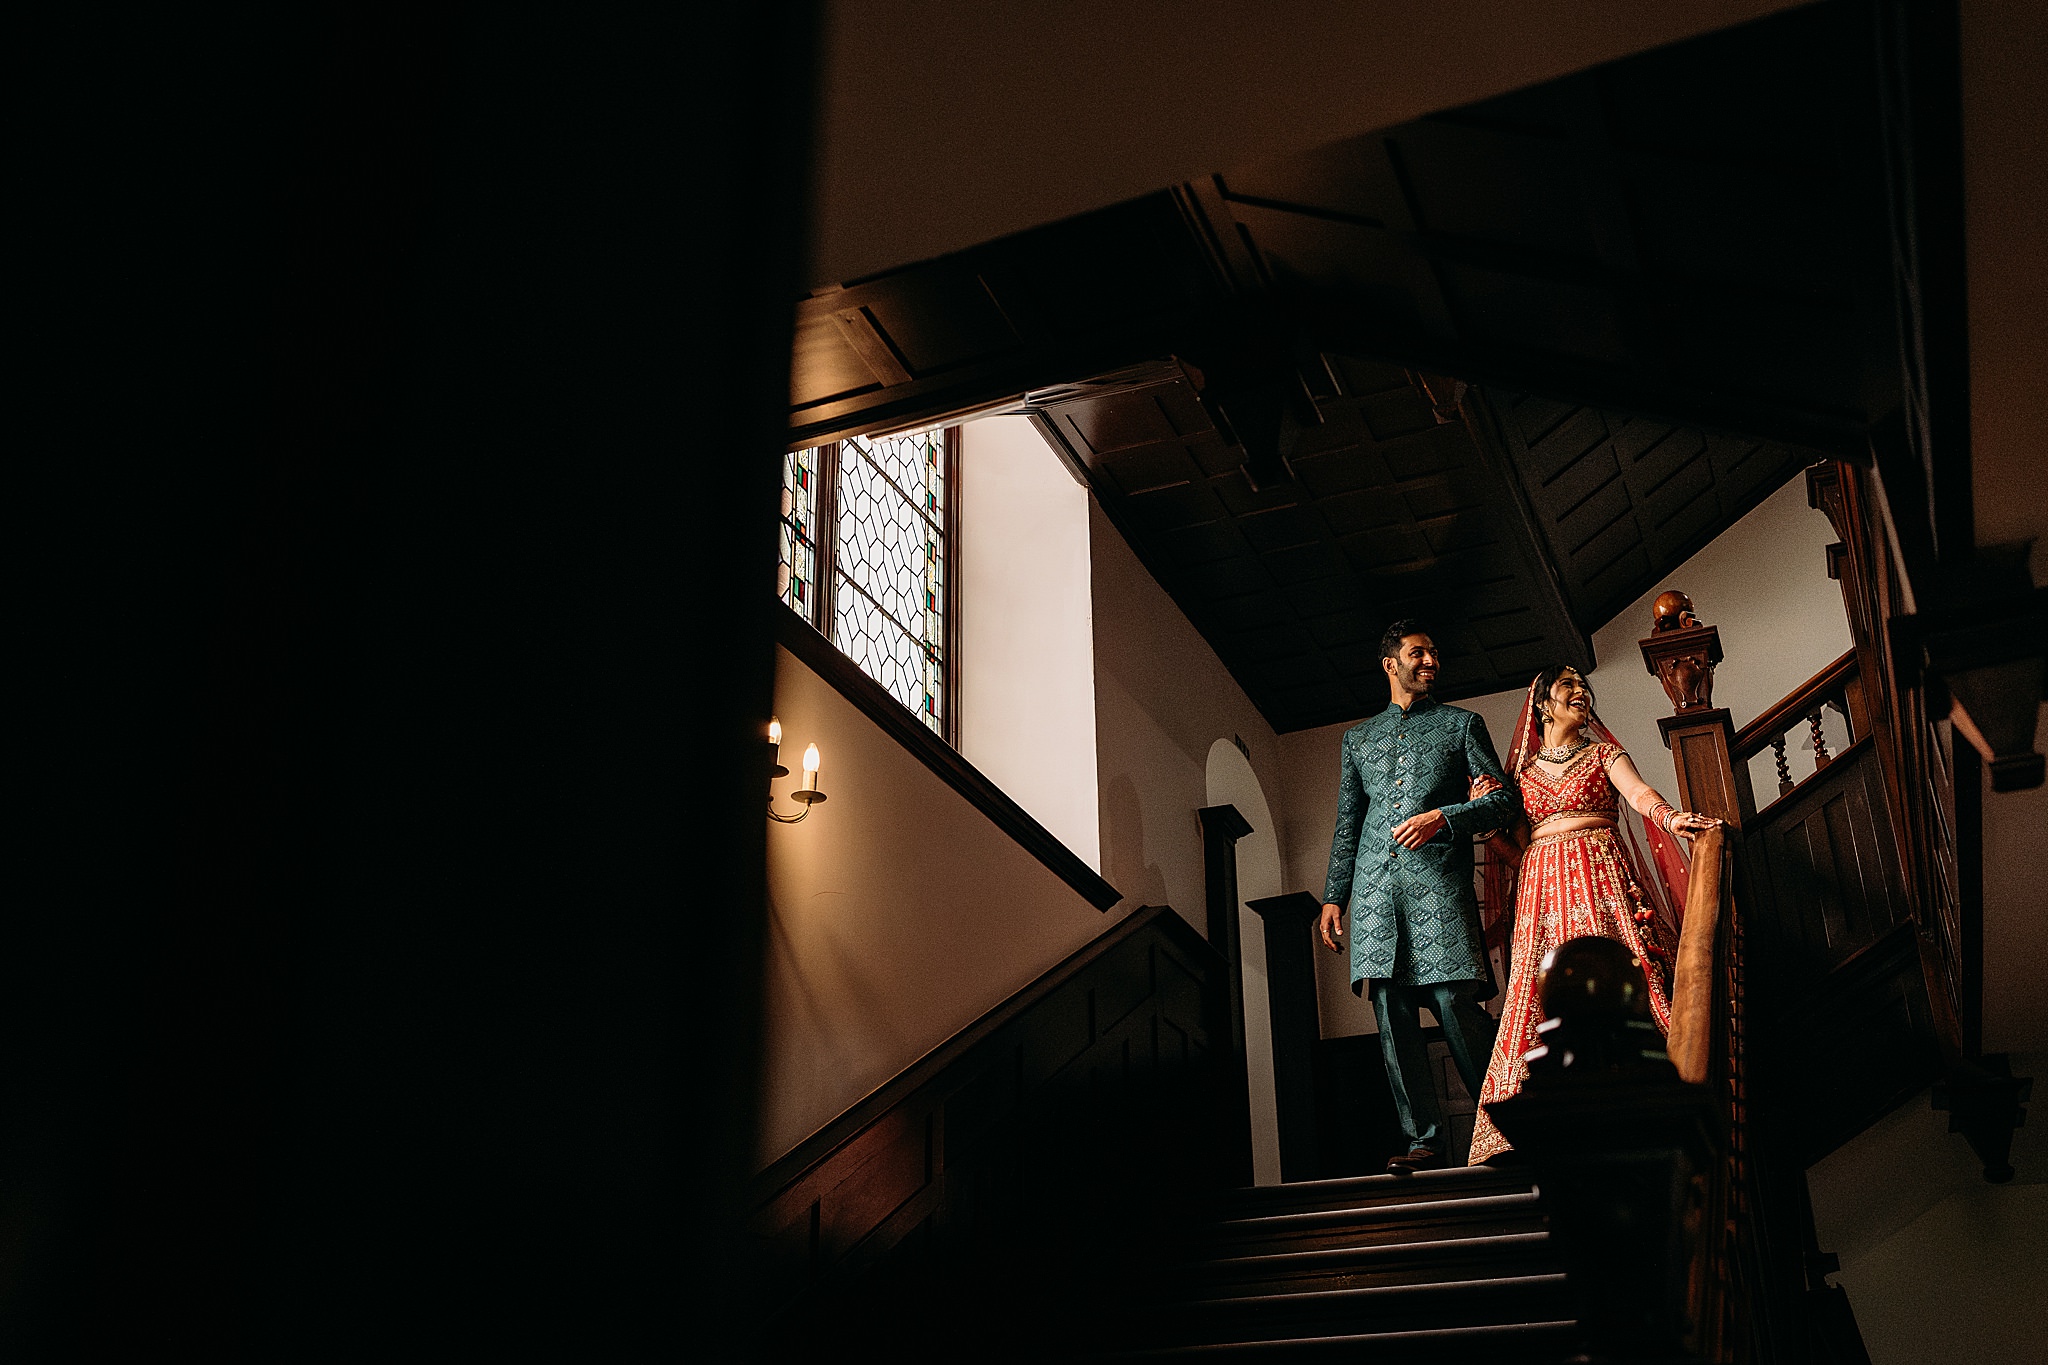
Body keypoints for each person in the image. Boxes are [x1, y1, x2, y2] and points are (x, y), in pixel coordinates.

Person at [1466, 663, 1720, 1166]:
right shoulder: (1522, 775)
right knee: (1538, 990)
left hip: (1599, 875)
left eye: (1584, 685)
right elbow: (1517, 850)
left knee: (1620, 972)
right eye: (1568, 686)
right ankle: (1523, 1126)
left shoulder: (1604, 754)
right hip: (1542, 890)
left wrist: (1671, 818)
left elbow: (1638, 794)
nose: (1581, 691)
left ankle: (1649, 1093)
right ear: (1543, 704)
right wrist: (1487, 822)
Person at [1318, 621, 1522, 1174]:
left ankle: (1506, 1128)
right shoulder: (1358, 739)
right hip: (1375, 896)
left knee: (1456, 1005)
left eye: (1434, 652)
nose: (1431, 660)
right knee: (1393, 1014)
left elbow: (1503, 802)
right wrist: (1334, 896)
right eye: (1418, 653)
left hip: (1439, 890)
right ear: (1391, 664)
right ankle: (1423, 1142)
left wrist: (1443, 818)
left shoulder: (1461, 725)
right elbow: (1348, 822)